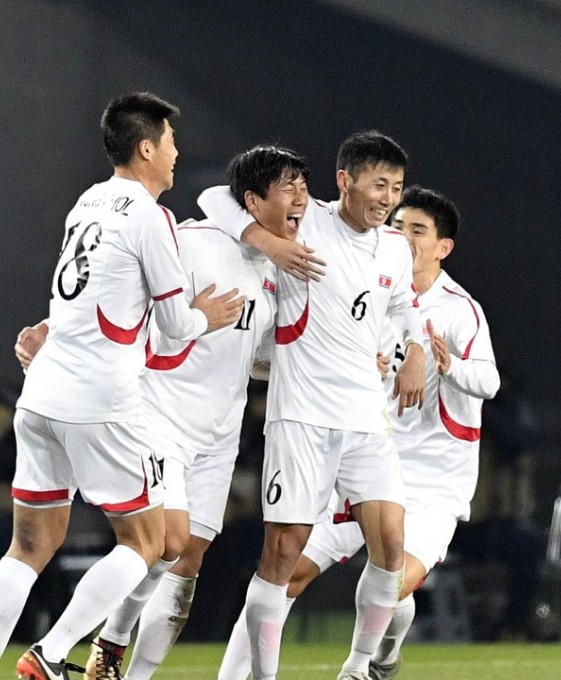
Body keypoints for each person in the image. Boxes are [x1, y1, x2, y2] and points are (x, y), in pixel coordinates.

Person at [16, 145, 311, 680]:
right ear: (251, 200)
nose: (301, 200)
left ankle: (115, 660)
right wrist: (52, 333)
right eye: (289, 187)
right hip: (158, 418)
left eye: (304, 188)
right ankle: (86, 649)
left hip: (218, 435)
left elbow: (257, 354)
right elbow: (123, 290)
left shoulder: (275, 270)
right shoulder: (193, 242)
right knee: (160, 544)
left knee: (185, 559)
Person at [0, 92, 245, 680]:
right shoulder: (148, 215)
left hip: (41, 394)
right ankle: (51, 655)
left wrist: (46, 331)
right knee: (150, 541)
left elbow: (76, 297)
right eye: (170, 142)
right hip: (98, 398)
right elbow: (173, 324)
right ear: (146, 148)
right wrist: (207, 317)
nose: (176, 153)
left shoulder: (87, 202)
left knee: (28, 548)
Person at [215, 185, 499, 680]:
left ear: (442, 247)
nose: (404, 237)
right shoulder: (375, 289)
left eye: (418, 231)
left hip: (433, 479)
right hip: (367, 455)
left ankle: (374, 660)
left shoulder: (460, 310)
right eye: (400, 226)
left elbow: (489, 381)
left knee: (394, 586)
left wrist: (446, 362)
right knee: (287, 572)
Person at [198, 131, 426, 680]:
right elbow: (213, 199)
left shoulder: (395, 247)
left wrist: (413, 348)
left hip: (365, 417)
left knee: (391, 542)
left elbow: (402, 306)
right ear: (345, 181)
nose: (388, 198)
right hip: (300, 416)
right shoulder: (308, 223)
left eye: (396, 188)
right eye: (378, 185)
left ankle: (357, 669)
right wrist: (270, 243)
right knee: (283, 553)